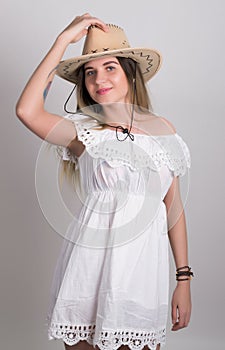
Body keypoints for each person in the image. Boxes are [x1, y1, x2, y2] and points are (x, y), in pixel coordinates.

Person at [16, 13, 193, 350]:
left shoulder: (163, 128)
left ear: (129, 72)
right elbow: (27, 110)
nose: (99, 79)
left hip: (143, 272)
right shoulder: (83, 132)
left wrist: (183, 279)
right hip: (90, 267)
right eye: (89, 72)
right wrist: (62, 42)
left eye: (109, 67)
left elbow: (173, 206)